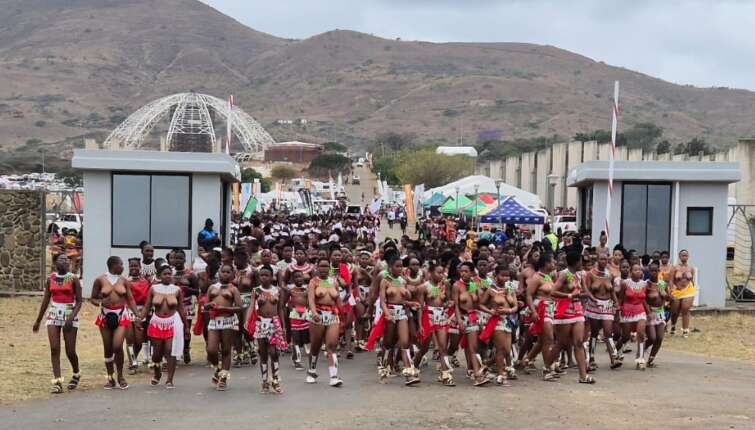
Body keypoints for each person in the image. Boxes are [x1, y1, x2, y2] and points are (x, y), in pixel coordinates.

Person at [33, 254, 82, 394]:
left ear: (69, 264)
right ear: (55, 263)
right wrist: (38, 320)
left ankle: (76, 373)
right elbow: (46, 300)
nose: (64, 261)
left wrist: (71, 317)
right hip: (54, 313)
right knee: (54, 348)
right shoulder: (50, 279)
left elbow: (79, 301)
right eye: (61, 259)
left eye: (67, 260)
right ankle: (57, 381)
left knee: (70, 351)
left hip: (69, 313)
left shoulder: (74, 279)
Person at [90, 256, 138, 390]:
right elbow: (92, 298)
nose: (123, 267)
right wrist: (99, 302)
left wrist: (137, 314)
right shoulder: (100, 280)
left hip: (121, 315)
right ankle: (110, 377)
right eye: (121, 264)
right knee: (108, 348)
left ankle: (120, 376)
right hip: (106, 315)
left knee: (117, 346)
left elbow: (131, 299)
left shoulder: (124, 280)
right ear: (113, 265)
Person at [375, 254, 420, 385]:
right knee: (388, 343)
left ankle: (409, 374)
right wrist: (387, 313)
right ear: (390, 267)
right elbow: (382, 301)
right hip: (390, 313)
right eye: (397, 266)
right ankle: (383, 368)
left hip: (402, 314)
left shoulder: (403, 281)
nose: (400, 269)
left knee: (405, 342)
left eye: (401, 266)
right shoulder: (385, 281)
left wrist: (411, 303)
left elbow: (404, 299)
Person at [551, 253, 594, 384]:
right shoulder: (564, 274)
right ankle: (548, 366)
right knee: (562, 343)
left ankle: (583, 375)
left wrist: (590, 297)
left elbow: (585, 292)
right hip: (564, 312)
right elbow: (553, 292)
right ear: (575, 262)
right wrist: (569, 295)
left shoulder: (580, 275)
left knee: (579, 342)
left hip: (577, 311)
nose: (582, 263)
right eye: (580, 261)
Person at [142, 264, 187, 388]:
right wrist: (139, 319)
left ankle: (170, 379)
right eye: (165, 274)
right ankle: (157, 373)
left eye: (169, 274)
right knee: (157, 353)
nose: (167, 276)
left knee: (169, 350)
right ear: (159, 276)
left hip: (173, 322)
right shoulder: (153, 289)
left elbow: (181, 309)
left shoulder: (177, 290)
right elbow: (147, 307)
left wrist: (186, 327)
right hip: (157, 323)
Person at [247, 265, 287, 394]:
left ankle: (276, 380)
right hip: (260, 323)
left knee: (274, 352)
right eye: (261, 275)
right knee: (263, 354)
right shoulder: (256, 290)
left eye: (266, 275)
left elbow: (280, 308)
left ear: (272, 277)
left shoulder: (278, 290)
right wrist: (247, 321)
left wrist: (283, 326)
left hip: (274, 324)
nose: (264, 277)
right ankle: (264, 381)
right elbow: (251, 306)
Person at [415, 262, 455, 386]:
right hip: (428, 317)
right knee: (424, 348)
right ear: (431, 273)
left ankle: (446, 374)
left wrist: (449, 303)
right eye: (438, 272)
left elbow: (449, 300)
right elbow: (420, 307)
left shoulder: (445, 285)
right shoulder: (423, 287)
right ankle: (413, 367)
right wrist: (420, 325)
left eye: (442, 272)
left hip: (441, 316)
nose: (441, 275)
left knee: (443, 346)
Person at [307, 258, 345, 387]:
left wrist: (343, 314)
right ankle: (311, 371)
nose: (323, 269)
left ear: (329, 267)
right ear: (317, 267)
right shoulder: (313, 282)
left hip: (333, 316)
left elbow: (338, 299)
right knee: (315, 346)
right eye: (321, 266)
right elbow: (311, 300)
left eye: (326, 266)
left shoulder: (334, 281)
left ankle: (334, 376)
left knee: (331, 345)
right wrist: (314, 313)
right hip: (318, 315)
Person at [479, 266, 518, 386]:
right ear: (496, 275)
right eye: (502, 275)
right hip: (496, 321)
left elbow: (516, 305)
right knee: (502, 349)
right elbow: (480, 304)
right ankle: (501, 375)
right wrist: (490, 312)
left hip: (508, 321)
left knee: (507, 350)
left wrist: (509, 310)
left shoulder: (510, 288)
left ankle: (486, 364)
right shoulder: (491, 289)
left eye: (507, 276)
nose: (505, 278)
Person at [205, 264, 242, 391]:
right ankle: (217, 368)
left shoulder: (233, 289)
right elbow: (204, 306)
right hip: (214, 321)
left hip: (228, 321)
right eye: (223, 271)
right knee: (211, 349)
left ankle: (224, 378)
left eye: (228, 272)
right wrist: (209, 305)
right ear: (218, 272)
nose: (225, 274)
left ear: (232, 274)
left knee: (226, 350)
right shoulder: (211, 288)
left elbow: (240, 307)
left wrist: (225, 308)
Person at [452, 261, 490, 386]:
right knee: (452, 347)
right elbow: (456, 306)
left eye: (466, 271)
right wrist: (459, 321)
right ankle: (444, 368)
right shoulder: (456, 286)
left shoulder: (474, 285)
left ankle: (477, 375)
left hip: (473, 318)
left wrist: (490, 311)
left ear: (472, 273)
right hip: (461, 318)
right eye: (461, 271)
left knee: (473, 348)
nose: (463, 273)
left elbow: (477, 304)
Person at [584, 253, 621, 370]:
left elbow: (612, 292)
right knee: (594, 333)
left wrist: (616, 303)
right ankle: (592, 359)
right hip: (594, 306)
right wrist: (592, 298)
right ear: (597, 260)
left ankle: (614, 357)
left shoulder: (609, 275)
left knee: (608, 332)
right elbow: (587, 289)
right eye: (601, 259)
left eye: (605, 259)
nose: (603, 261)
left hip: (607, 305)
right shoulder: (590, 274)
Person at [524, 254, 557, 381]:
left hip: (550, 308)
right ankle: (547, 369)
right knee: (548, 339)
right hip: (541, 309)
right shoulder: (536, 277)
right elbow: (528, 295)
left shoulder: (548, 276)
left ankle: (527, 360)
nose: (554, 264)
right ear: (546, 264)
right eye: (552, 262)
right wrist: (533, 311)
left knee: (543, 340)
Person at [617, 263, 648, 370]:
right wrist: (618, 310)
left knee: (641, 334)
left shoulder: (644, 284)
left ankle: (640, 359)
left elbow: (644, 300)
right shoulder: (625, 283)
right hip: (627, 311)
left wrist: (649, 312)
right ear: (631, 271)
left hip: (640, 310)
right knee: (625, 337)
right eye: (635, 270)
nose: (638, 271)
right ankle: (618, 351)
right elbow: (621, 298)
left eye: (639, 270)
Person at [125, 258, 151, 374]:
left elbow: (148, 300)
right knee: (130, 339)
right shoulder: (125, 281)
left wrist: (143, 313)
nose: (134, 268)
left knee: (139, 340)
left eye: (136, 266)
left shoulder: (145, 282)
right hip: (127, 311)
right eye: (131, 266)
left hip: (141, 312)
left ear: (140, 267)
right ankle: (133, 363)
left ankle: (133, 357)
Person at [645, 263, 669, 368]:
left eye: (655, 271)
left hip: (660, 313)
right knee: (652, 338)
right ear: (648, 271)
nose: (653, 273)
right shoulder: (646, 284)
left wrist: (665, 295)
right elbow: (642, 299)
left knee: (659, 338)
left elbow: (670, 299)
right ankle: (642, 349)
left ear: (659, 271)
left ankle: (650, 360)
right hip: (649, 313)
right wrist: (648, 311)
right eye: (651, 271)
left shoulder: (662, 284)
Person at [669, 250, 696, 338]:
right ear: (679, 257)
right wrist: (671, 290)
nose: (684, 256)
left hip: (688, 291)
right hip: (677, 291)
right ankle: (673, 326)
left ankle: (685, 330)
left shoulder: (691, 268)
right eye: (682, 255)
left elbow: (692, 281)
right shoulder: (674, 267)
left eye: (686, 255)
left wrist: (693, 290)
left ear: (688, 257)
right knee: (675, 311)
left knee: (685, 309)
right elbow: (671, 281)